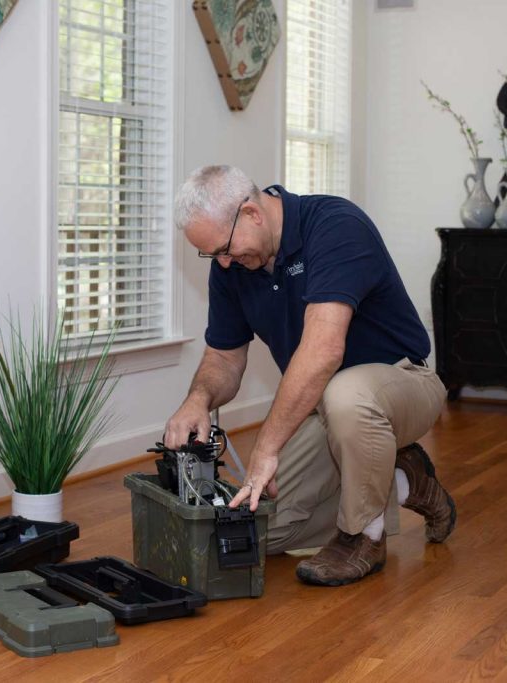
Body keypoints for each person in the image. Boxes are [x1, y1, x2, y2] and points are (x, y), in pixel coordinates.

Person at [163, 165, 455, 587]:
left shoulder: (337, 226)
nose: (223, 262)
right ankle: (405, 481)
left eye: (224, 249)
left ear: (252, 214)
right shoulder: (231, 267)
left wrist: (267, 448)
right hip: (322, 406)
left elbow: (323, 352)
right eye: (212, 255)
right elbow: (224, 360)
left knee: (346, 394)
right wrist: (198, 399)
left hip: (402, 382)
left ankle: (363, 537)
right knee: (264, 531)